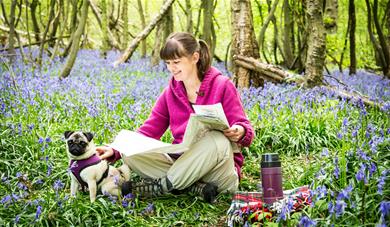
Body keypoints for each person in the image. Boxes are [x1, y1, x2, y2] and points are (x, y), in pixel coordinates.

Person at [96, 32, 254, 203]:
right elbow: (150, 129)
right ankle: (193, 187)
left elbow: (244, 126)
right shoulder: (170, 93)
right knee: (131, 153)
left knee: (217, 139)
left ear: (195, 57)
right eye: (168, 63)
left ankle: (162, 186)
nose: (172, 68)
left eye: (177, 62)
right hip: (181, 164)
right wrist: (116, 149)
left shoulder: (222, 85)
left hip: (217, 173)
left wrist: (240, 130)